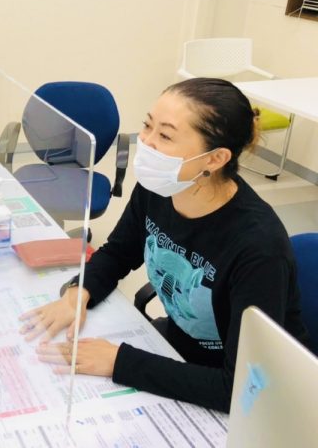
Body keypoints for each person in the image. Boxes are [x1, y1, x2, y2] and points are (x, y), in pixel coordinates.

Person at [19, 77, 309, 413]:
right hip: (178, 347)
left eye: (166, 136)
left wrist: (119, 362)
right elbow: (118, 252)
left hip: (248, 392)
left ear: (215, 159)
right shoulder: (161, 187)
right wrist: (79, 293)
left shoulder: (258, 247)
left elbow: (241, 387)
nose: (146, 142)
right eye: (147, 126)